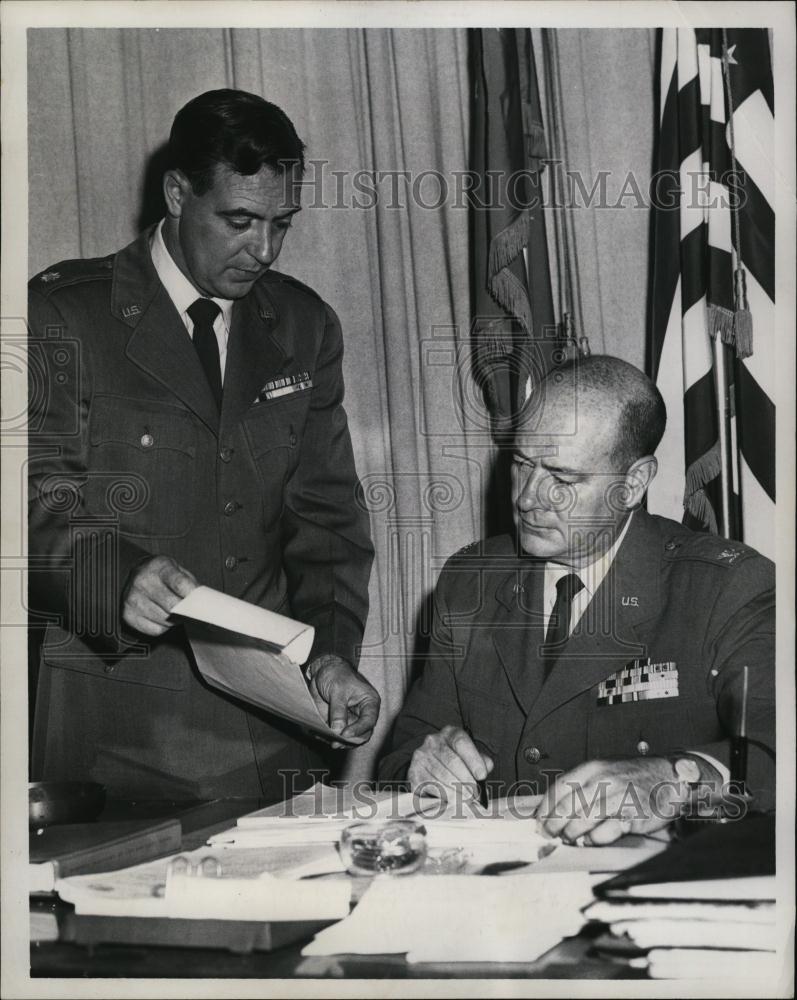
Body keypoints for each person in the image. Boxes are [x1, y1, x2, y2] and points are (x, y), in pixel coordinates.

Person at [28, 89, 379, 801]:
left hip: (274, 734)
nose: (265, 250)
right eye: (240, 221)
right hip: (116, 739)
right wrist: (113, 572)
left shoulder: (304, 327)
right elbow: (26, 504)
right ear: (178, 192)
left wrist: (333, 655)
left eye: (282, 224)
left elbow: (328, 524)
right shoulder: (64, 314)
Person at [379, 355, 775, 843]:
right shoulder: (470, 582)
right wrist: (423, 765)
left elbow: (778, 751)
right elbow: (404, 751)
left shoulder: (724, 588)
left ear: (633, 484)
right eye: (521, 465)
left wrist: (677, 779)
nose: (527, 498)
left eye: (563, 480)